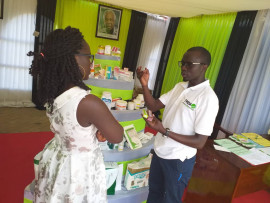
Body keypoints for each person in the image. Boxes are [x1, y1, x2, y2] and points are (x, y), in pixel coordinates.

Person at [28, 26, 123, 203]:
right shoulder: (88, 102)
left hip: (58, 159)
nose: (92, 64)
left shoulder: (53, 92)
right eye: (89, 58)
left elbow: (73, 127)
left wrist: (92, 130)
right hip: (78, 169)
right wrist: (101, 127)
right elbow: (117, 136)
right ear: (73, 59)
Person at [136, 46, 219, 203]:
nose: (183, 67)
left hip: (178, 160)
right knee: (154, 192)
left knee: (171, 199)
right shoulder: (179, 87)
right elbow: (153, 106)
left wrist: (164, 131)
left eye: (189, 64)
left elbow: (200, 142)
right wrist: (145, 85)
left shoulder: (208, 98)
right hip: (160, 151)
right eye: (182, 63)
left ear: (204, 67)